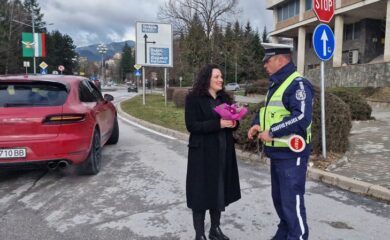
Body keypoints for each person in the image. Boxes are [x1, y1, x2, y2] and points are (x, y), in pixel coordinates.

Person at [247, 43, 314, 240]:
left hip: (292, 154)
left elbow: (302, 118)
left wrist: (273, 131)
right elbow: (268, 111)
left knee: (291, 203)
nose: (265, 66)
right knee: (280, 201)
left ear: (280, 59)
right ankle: (284, 234)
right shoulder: (277, 83)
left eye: (267, 61)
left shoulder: (298, 84)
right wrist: (257, 123)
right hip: (277, 154)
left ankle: (297, 236)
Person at [185, 64, 241, 240]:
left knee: (219, 191)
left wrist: (234, 123)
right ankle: (199, 234)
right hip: (202, 154)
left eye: (221, 77)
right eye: (217, 77)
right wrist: (218, 124)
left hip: (222, 152)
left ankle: (215, 229)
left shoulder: (224, 98)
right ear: (207, 78)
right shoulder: (193, 98)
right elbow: (192, 126)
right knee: (200, 193)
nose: (221, 80)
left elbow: (233, 121)